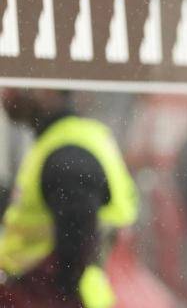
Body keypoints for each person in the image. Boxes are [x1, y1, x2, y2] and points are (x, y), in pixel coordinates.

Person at [0, 89, 139, 308]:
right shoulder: (62, 142)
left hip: (62, 299)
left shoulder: (68, 155)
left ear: (48, 90)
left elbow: (74, 255)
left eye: (18, 84)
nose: (6, 92)